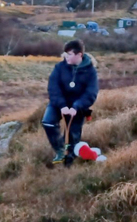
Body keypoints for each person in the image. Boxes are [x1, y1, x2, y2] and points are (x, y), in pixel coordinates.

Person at [42, 39, 99, 167]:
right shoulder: (60, 67)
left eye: (69, 54)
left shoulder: (91, 72)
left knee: (73, 135)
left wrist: (77, 106)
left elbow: (91, 93)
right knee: (48, 122)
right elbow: (53, 88)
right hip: (58, 103)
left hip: (77, 107)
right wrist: (62, 105)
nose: (66, 57)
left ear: (79, 55)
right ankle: (60, 151)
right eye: (66, 54)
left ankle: (69, 161)